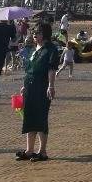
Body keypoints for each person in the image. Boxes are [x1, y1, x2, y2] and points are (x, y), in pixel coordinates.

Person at [17, 22, 60, 161]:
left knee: (41, 117)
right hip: (29, 86)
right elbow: (29, 69)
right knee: (29, 116)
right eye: (34, 32)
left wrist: (51, 86)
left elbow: (52, 69)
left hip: (42, 86)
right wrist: (24, 86)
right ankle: (29, 150)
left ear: (45, 34)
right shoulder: (34, 49)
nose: (35, 34)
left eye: (38, 32)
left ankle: (42, 152)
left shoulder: (51, 49)